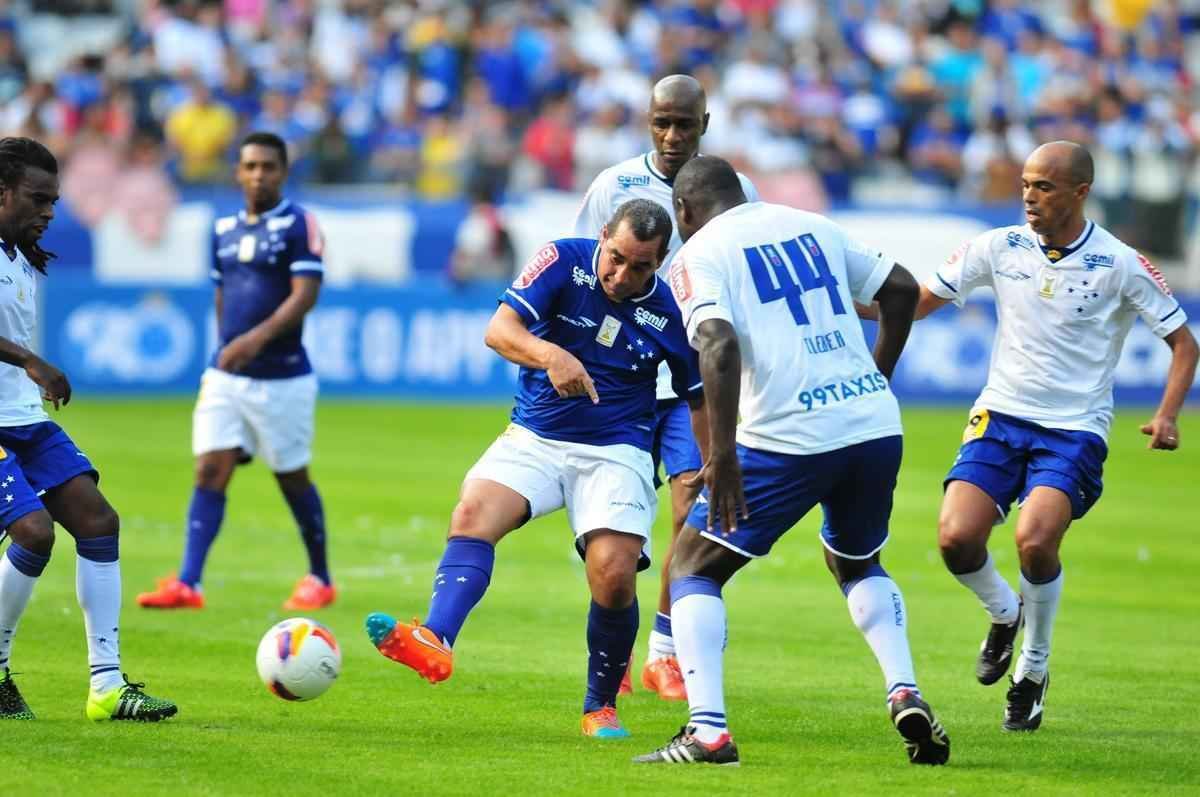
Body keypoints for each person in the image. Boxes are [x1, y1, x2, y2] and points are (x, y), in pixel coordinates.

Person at [634, 155, 950, 766]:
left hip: (786, 435)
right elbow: (902, 289)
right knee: (855, 561)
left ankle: (708, 734)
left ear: (684, 210)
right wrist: (877, 378)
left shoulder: (697, 255)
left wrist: (722, 453)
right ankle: (904, 689)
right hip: (872, 426)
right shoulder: (812, 224)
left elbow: (717, 344)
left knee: (693, 565)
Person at [364, 199, 703, 740]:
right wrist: (551, 355)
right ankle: (435, 638)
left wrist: (716, 459)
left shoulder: (671, 312)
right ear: (602, 236)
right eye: (616, 258)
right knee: (473, 513)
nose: (622, 275)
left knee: (614, 573)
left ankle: (600, 707)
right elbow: (499, 330)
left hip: (616, 449)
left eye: (640, 266)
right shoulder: (561, 260)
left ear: (660, 261)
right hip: (536, 436)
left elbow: (698, 395)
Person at [906, 141, 1197, 731]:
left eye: (1043, 186)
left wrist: (1167, 415)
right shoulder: (998, 246)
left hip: (1073, 428)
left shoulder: (1120, 263)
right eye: (1026, 184)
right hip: (1000, 416)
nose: (1029, 196)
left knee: (1034, 541)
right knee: (956, 540)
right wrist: (845, 304)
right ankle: (1004, 613)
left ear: (1080, 192)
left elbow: (1184, 344)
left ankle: (1032, 671)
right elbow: (917, 304)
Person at [572, 74, 757, 700]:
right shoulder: (614, 186)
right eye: (662, 123)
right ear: (647, 122)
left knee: (689, 502)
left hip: (690, 380)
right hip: (620, 378)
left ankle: (663, 651)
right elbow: (583, 267)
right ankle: (614, 649)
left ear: (706, 123)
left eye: (684, 124)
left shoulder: (735, 192)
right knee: (610, 525)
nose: (673, 135)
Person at [0, 136, 176, 721]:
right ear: (2, 192)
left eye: (54, 200)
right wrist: (31, 361)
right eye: (38, 198)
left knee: (98, 520)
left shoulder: (21, 254)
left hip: (23, 419)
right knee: (33, 532)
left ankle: (107, 687)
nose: (50, 211)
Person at [137, 132, 333, 612]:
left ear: (283, 172)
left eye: (268, 166)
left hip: (282, 377)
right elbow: (223, 292)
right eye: (251, 166)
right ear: (238, 172)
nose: (259, 175)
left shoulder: (299, 224)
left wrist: (253, 341)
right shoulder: (222, 227)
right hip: (226, 375)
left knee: (291, 476)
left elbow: (304, 296)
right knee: (209, 469)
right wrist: (228, 344)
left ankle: (320, 577)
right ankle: (189, 582)